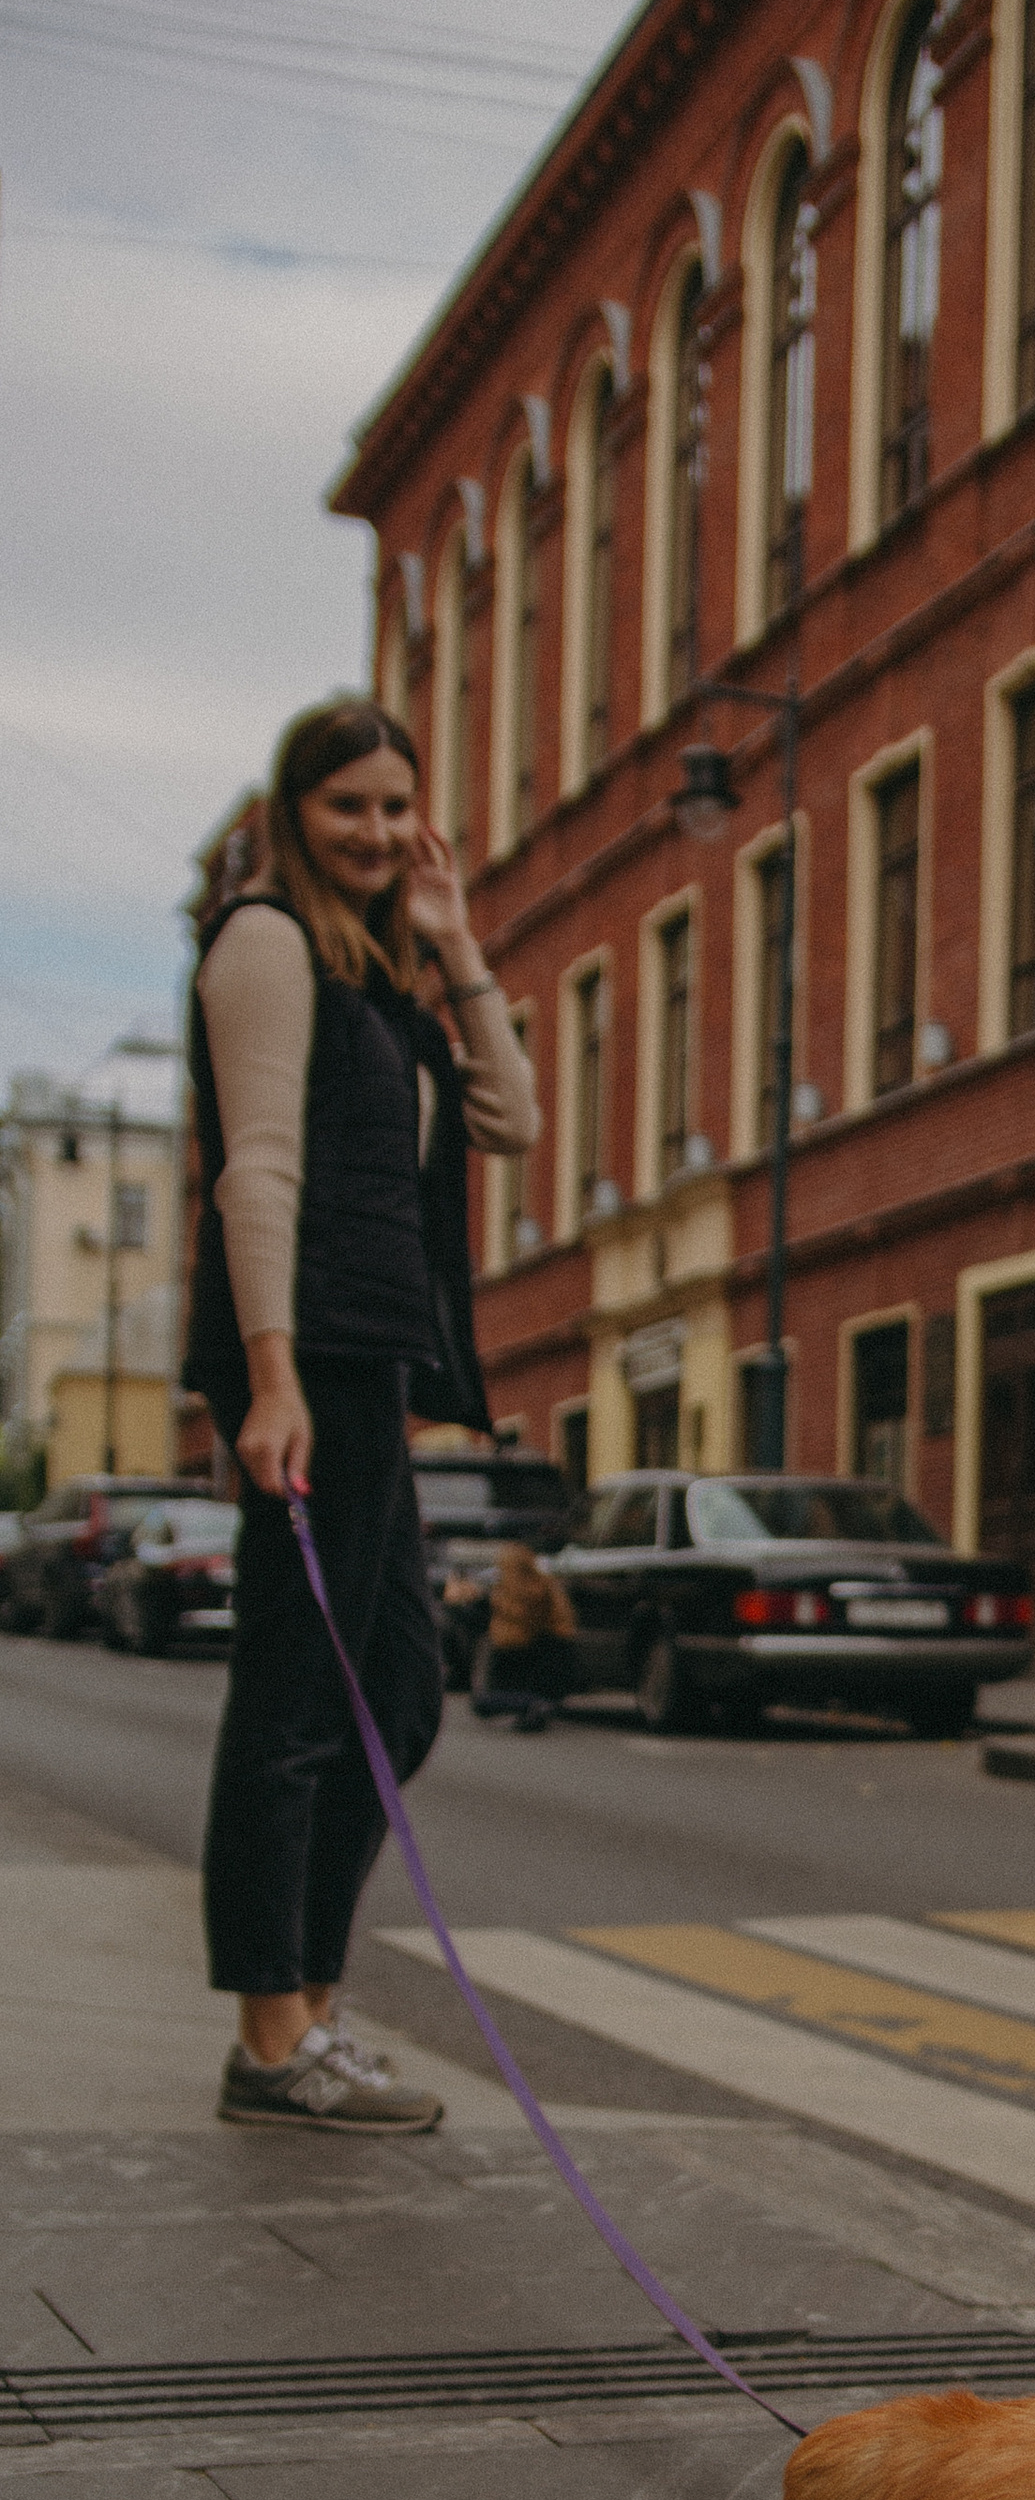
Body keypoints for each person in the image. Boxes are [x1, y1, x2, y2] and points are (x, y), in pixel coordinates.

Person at [185, 698, 540, 2131]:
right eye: (350, 808)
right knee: (293, 1699)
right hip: (308, 1359)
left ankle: (308, 2006)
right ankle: (273, 2039)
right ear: (294, 813)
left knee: (395, 1693)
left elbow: (511, 1118)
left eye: (398, 807)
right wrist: (269, 1380)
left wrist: (457, 947)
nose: (380, 833)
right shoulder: (266, 944)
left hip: (373, 1359)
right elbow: (255, 1171)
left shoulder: (388, 977)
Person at [473, 1541, 579, 1730]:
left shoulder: (529, 1593)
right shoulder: (542, 1585)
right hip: (549, 1657)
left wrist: (493, 1602)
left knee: (483, 1703)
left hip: (543, 1657)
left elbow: (518, 1633)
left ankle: (533, 1704)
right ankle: (532, 1707)